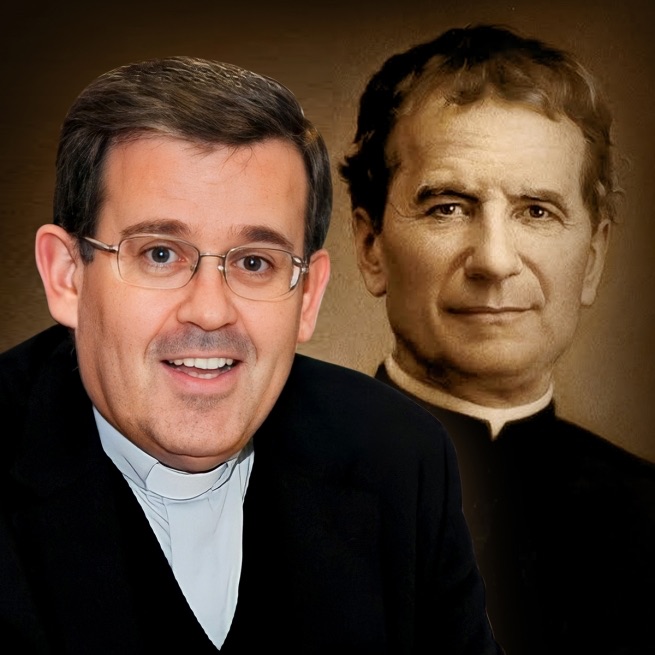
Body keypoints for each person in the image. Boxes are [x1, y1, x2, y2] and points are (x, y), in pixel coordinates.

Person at [0, 56, 502, 654]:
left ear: (308, 296)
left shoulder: (398, 458)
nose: (210, 311)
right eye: (160, 254)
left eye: (255, 262)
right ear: (66, 276)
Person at [340, 24, 655, 655]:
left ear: (592, 260)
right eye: (448, 207)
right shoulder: (251, 494)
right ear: (371, 247)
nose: (494, 260)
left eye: (536, 211)